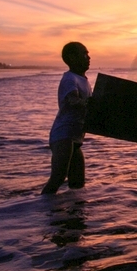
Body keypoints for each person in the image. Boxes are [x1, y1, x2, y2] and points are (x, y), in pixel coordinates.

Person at [42, 42, 91, 194]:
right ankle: (42, 211)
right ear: (72, 58)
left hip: (75, 137)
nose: (88, 57)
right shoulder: (70, 79)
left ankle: (74, 214)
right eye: (84, 54)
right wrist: (93, 104)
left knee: (77, 183)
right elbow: (72, 100)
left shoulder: (83, 79)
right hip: (64, 135)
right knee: (58, 177)